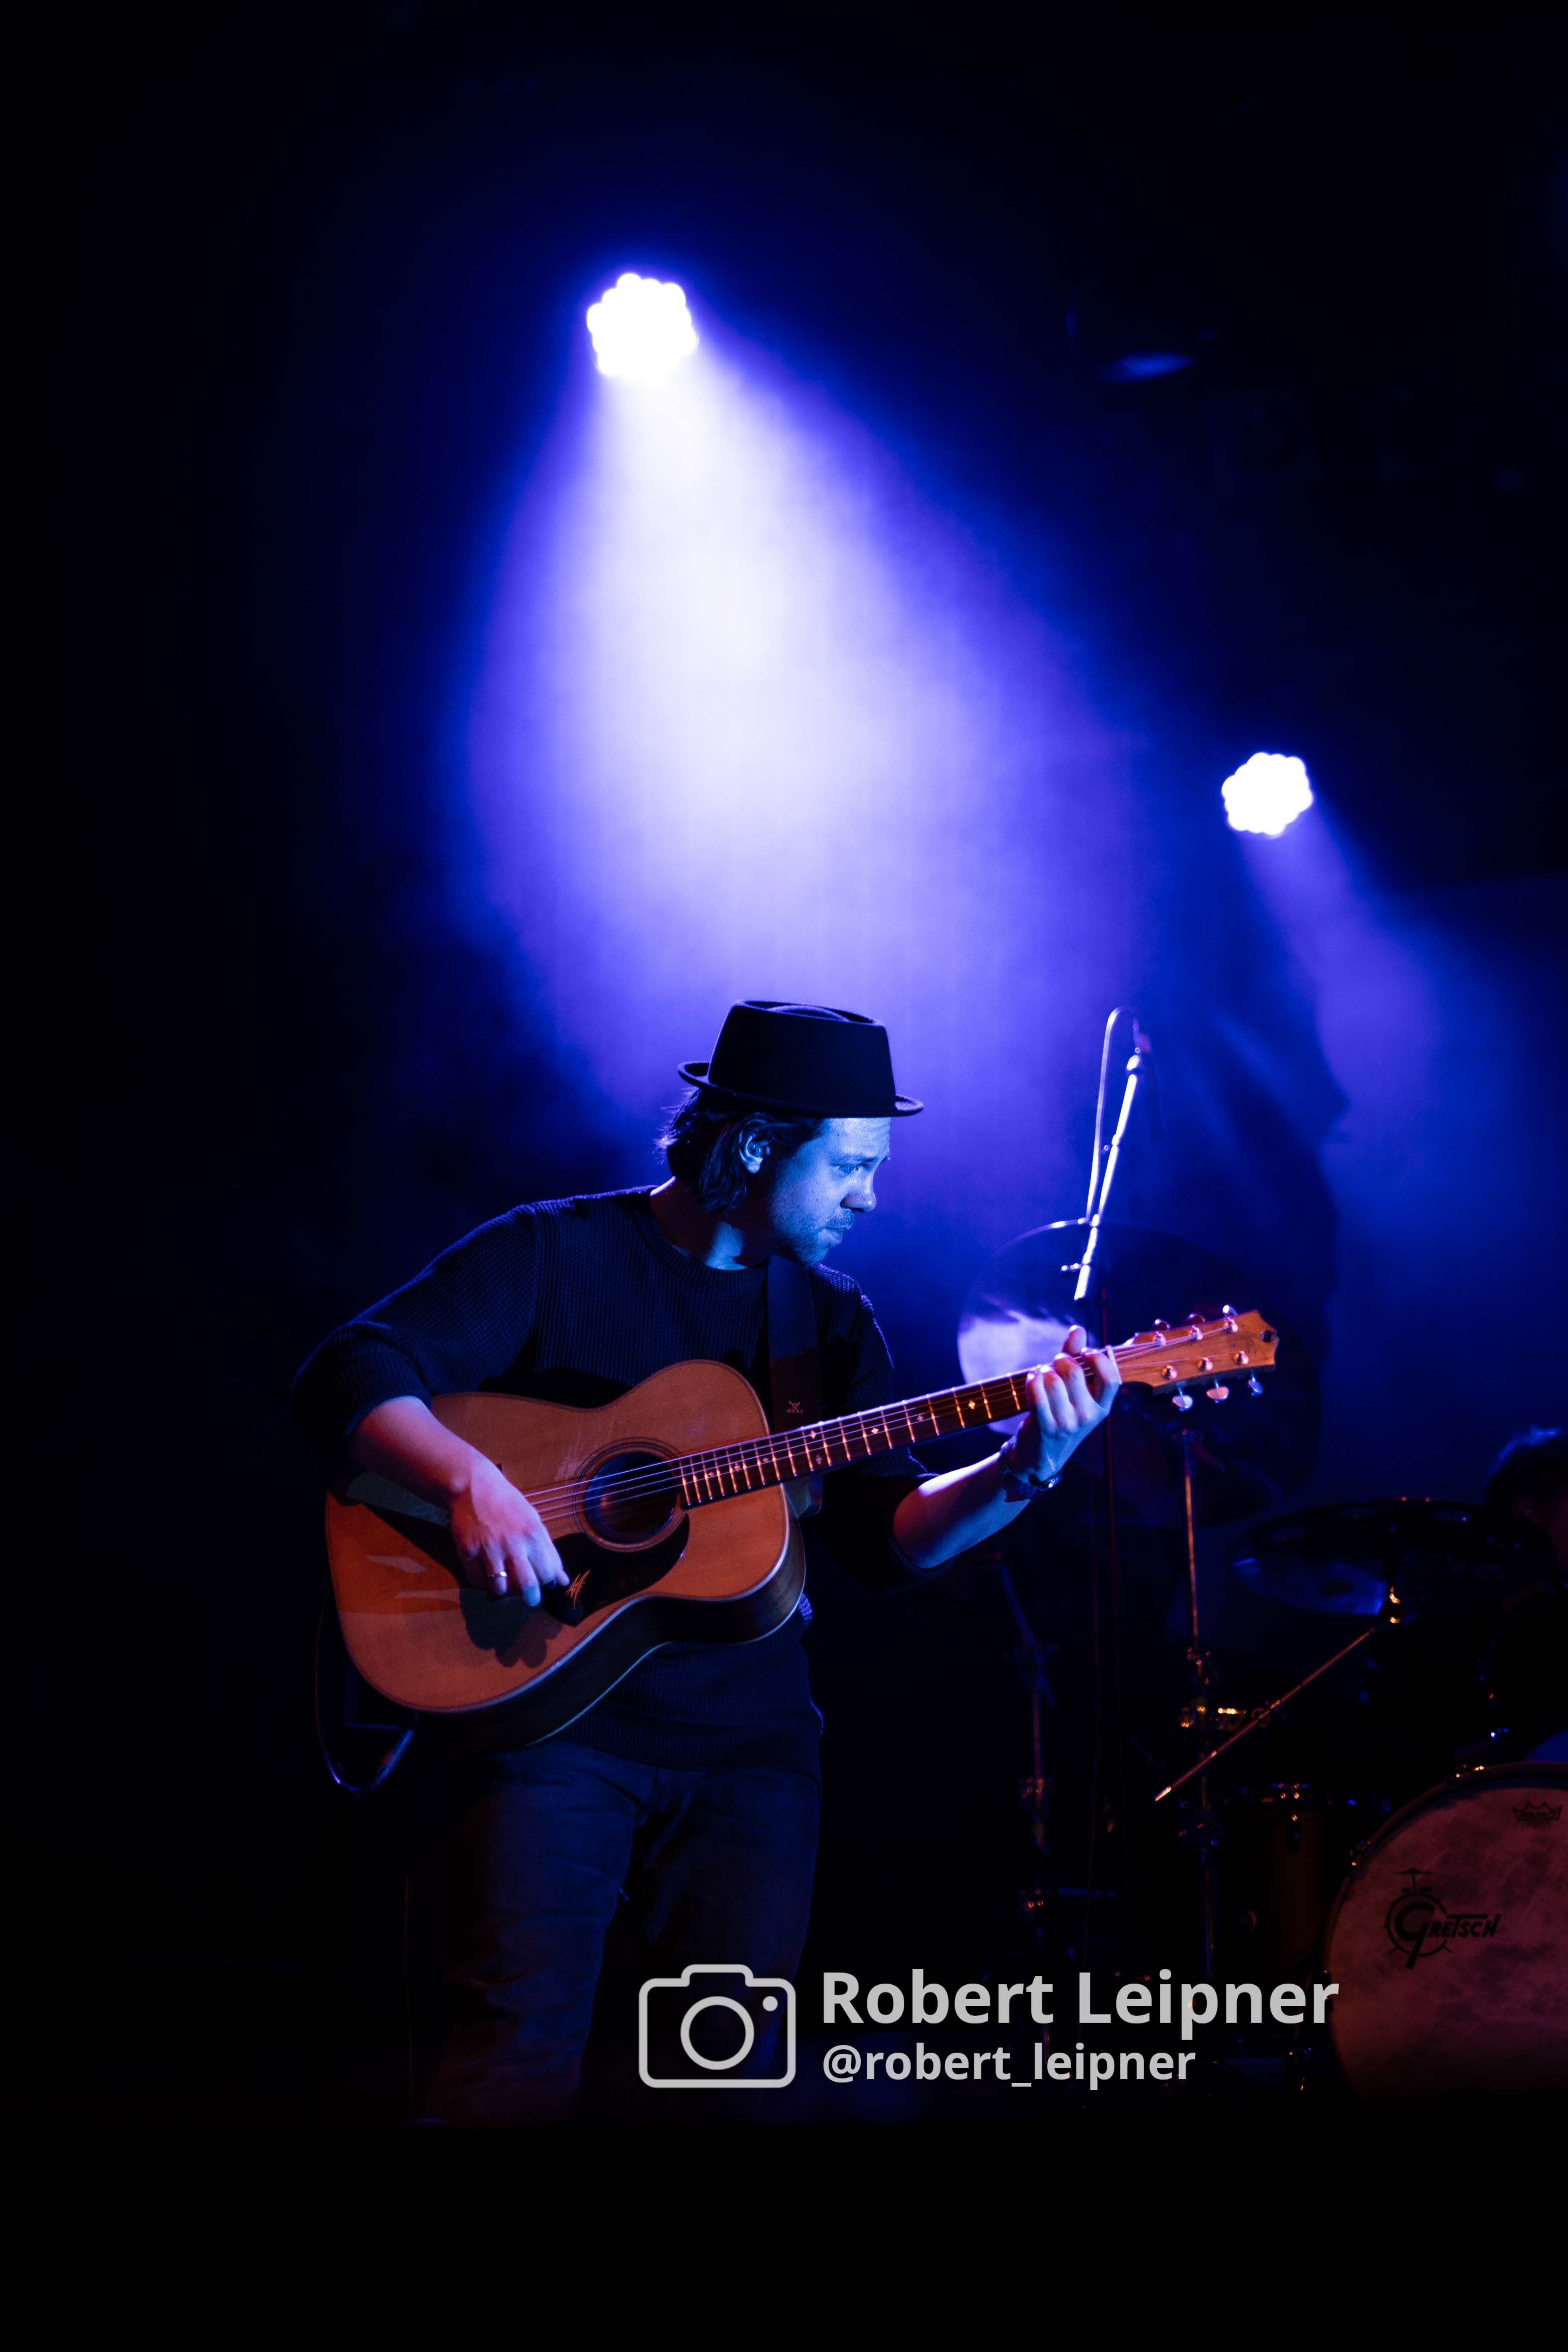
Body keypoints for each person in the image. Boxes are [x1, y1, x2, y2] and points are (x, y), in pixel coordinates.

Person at [294, 1001, 1118, 2122]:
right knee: (511, 2062)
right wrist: (467, 1481)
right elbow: (352, 1367)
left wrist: (1025, 1467)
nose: (870, 1197)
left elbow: (887, 1536)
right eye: (849, 1166)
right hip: (548, 1731)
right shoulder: (556, 1250)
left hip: (750, 1756)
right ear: (751, 1146)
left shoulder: (824, 1322)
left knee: (721, 2084)